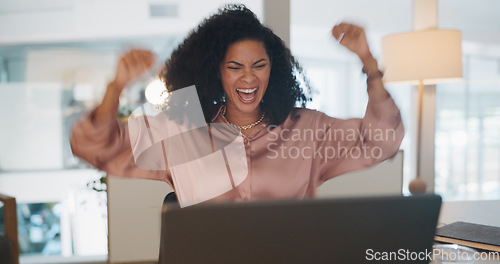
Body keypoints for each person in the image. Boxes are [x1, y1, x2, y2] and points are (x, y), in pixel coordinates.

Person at [71, 4, 404, 206]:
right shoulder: (182, 133)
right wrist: (115, 88)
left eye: (259, 65)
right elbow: (95, 147)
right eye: (235, 67)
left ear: (274, 70)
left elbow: (381, 142)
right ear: (216, 72)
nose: (249, 78)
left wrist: (369, 63)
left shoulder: (309, 130)